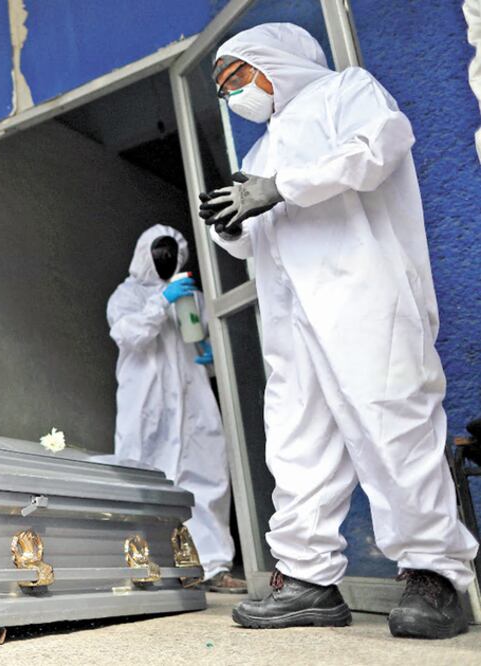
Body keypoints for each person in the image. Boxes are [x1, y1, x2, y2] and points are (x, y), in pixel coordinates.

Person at [199, 23, 477, 638]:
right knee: (297, 440)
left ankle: (435, 576)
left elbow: (380, 148)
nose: (235, 96)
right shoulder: (259, 150)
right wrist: (231, 221)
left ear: (276, 61)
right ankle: (307, 579)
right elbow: (262, 237)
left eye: (239, 76)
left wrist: (280, 188)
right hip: (293, 319)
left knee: (393, 425)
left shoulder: (346, 90)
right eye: (224, 90)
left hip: (364, 297)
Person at [101, 224, 244, 594]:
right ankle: (145, 565)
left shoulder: (192, 298)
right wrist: (162, 300)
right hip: (148, 407)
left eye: (170, 254)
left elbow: (203, 342)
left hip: (193, 404)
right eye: (158, 253)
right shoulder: (125, 295)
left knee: (206, 479)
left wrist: (214, 358)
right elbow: (129, 334)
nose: (165, 260)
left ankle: (213, 567)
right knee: (144, 481)